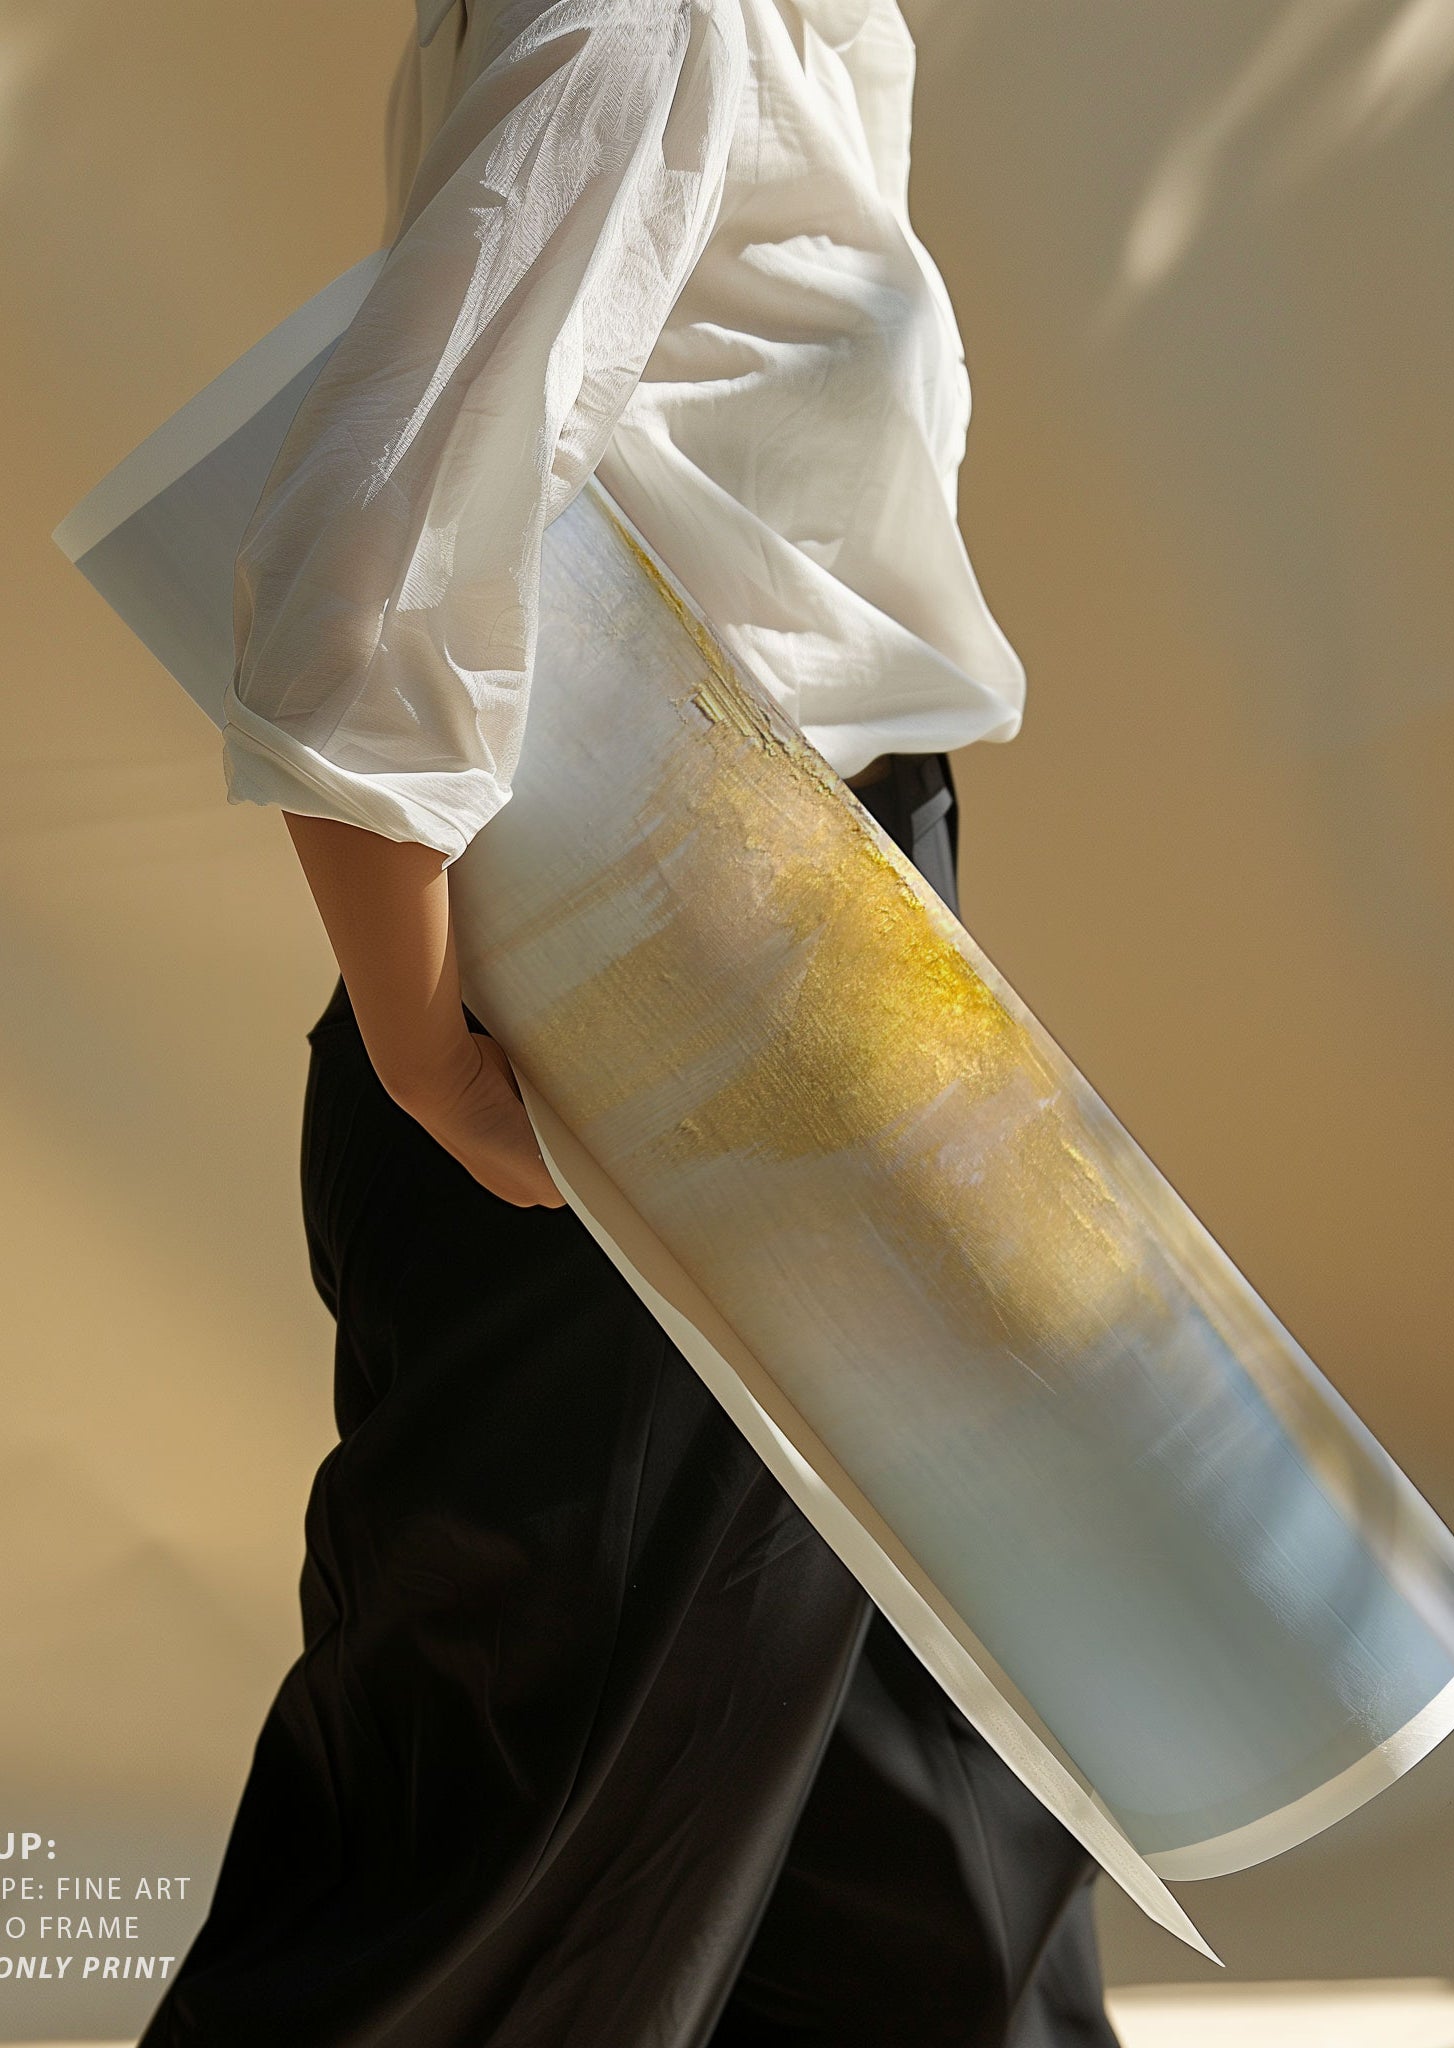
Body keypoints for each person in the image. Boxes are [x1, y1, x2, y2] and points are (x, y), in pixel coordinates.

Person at [137, 2, 1123, 2042]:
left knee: (932, 1823)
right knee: (495, 1853)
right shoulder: (648, 17)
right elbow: (369, 547)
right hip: (659, 977)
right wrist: (424, 1048)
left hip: (826, 937)